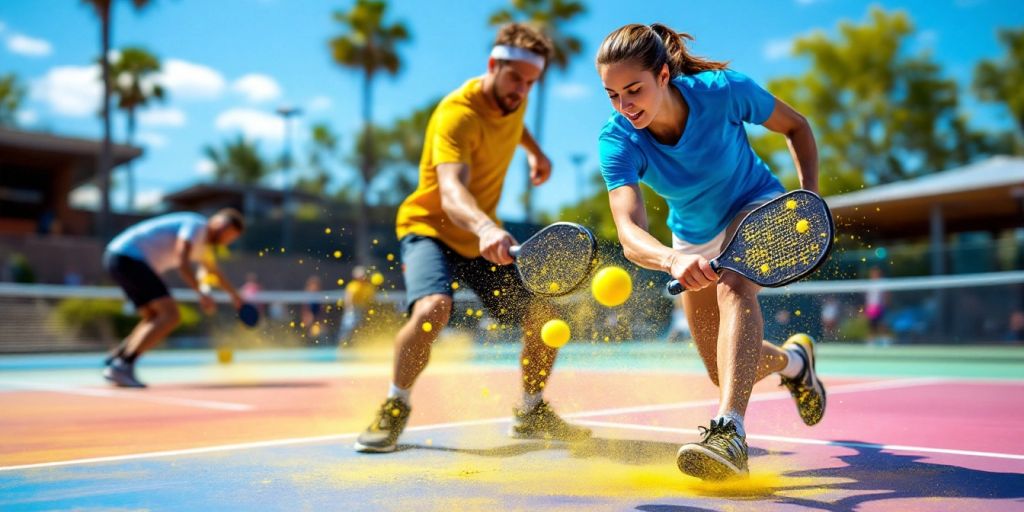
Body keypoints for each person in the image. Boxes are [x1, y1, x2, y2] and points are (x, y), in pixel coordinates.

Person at [595, 24, 826, 480]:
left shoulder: (723, 92)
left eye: (634, 89)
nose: (625, 105)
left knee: (735, 285)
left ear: (664, 75)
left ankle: (729, 432)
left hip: (753, 203)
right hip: (690, 239)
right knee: (723, 373)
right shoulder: (617, 140)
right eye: (612, 95)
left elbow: (796, 126)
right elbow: (629, 231)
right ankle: (796, 364)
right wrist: (672, 259)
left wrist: (810, 201)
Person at [354, 23, 591, 453]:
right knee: (433, 308)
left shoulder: (512, 100)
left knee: (543, 317)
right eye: (515, 78)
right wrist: (484, 227)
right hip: (430, 228)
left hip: (479, 238)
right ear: (493, 65)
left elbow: (514, 124)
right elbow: (450, 192)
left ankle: (531, 410)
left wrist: (536, 153)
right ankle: (394, 404)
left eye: (531, 83)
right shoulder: (457, 115)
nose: (521, 91)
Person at [102, 209, 246, 387]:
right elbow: (181, 259)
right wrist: (200, 293)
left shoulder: (203, 244)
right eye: (228, 235)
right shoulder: (197, 226)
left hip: (118, 257)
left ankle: (117, 359)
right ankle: (122, 366)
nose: (227, 241)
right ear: (220, 224)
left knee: (153, 317)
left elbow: (213, 271)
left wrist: (235, 296)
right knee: (171, 315)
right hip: (130, 258)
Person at [337, 266, 375, 346]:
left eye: (362, 275)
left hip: (362, 309)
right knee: (347, 327)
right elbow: (348, 298)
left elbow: (370, 299)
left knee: (359, 327)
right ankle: (342, 344)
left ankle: (356, 344)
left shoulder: (368, 287)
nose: (362, 278)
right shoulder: (352, 286)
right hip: (353, 309)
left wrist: (367, 309)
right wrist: (350, 309)